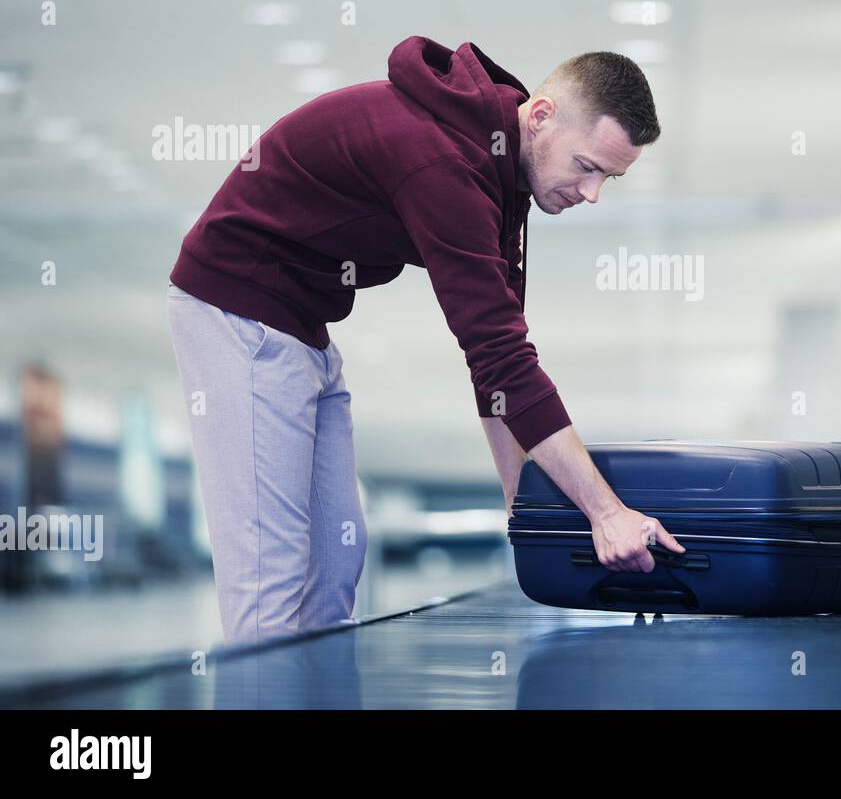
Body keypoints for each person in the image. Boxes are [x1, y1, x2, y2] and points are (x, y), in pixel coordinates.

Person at [166, 36, 684, 644]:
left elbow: (499, 368)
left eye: (609, 178)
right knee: (270, 586)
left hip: (304, 329)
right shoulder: (444, 161)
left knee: (336, 570)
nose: (591, 193)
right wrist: (606, 513)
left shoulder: (503, 171)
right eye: (588, 167)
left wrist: (522, 509)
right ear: (541, 116)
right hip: (238, 314)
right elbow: (500, 360)